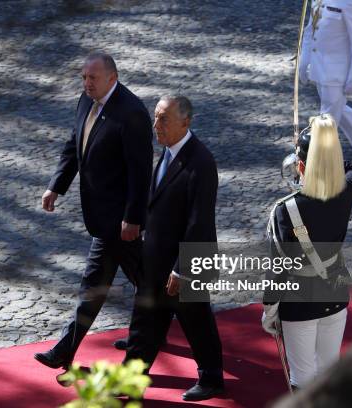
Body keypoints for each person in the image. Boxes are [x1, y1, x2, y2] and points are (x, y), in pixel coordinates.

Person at [35, 52, 154, 369]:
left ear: (112, 78)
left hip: (120, 221)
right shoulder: (87, 100)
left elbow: (140, 172)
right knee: (147, 281)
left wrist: (133, 218)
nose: (86, 83)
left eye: (93, 78)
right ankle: (148, 333)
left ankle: (65, 349)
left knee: (96, 284)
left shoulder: (131, 114)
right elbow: (75, 145)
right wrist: (56, 186)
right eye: (84, 77)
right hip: (104, 218)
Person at [125, 96, 224, 402]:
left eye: (164, 119)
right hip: (156, 260)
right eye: (156, 118)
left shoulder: (201, 163)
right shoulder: (167, 154)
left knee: (197, 323)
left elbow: (200, 222)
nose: (157, 126)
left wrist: (183, 268)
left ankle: (212, 379)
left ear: (186, 122)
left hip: (186, 264)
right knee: (144, 321)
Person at [262, 114, 352, 389]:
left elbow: (278, 269)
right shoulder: (347, 190)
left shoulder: (285, 210)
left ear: (302, 165)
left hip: (300, 303)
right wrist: (324, 138)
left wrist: (269, 310)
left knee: (302, 378)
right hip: (335, 292)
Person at [299, 0, 352, 170]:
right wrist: (304, 61)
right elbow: (310, 30)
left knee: (327, 121)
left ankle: (318, 167)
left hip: (337, 74)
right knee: (340, 110)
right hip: (318, 68)